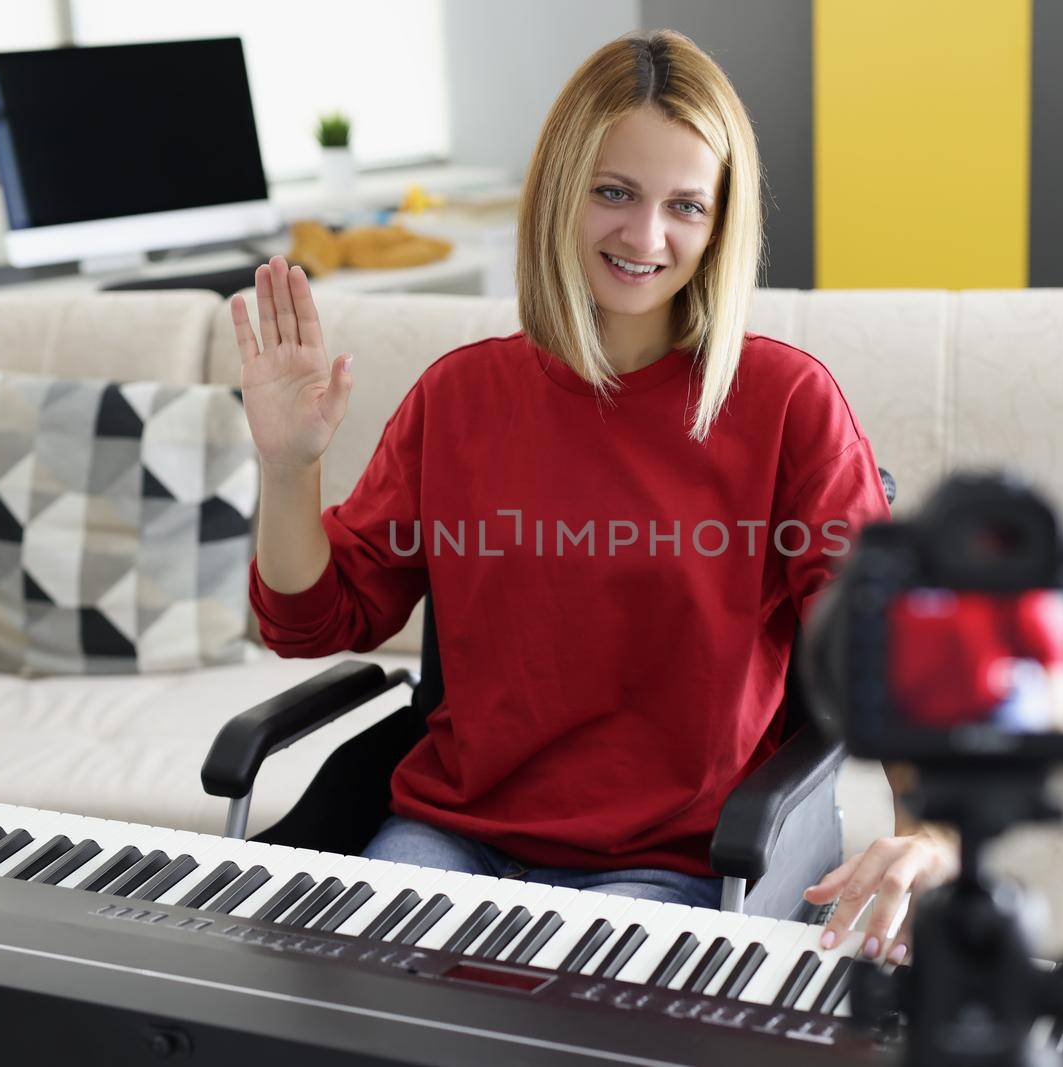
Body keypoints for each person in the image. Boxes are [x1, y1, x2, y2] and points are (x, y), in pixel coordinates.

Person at [235, 29, 956, 966]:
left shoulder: (787, 404)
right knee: (355, 1004)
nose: (646, 237)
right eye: (614, 191)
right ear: (559, 192)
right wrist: (289, 468)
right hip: (454, 836)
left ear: (720, 223)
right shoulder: (460, 398)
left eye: (685, 206)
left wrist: (931, 832)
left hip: (681, 858)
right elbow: (312, 619)